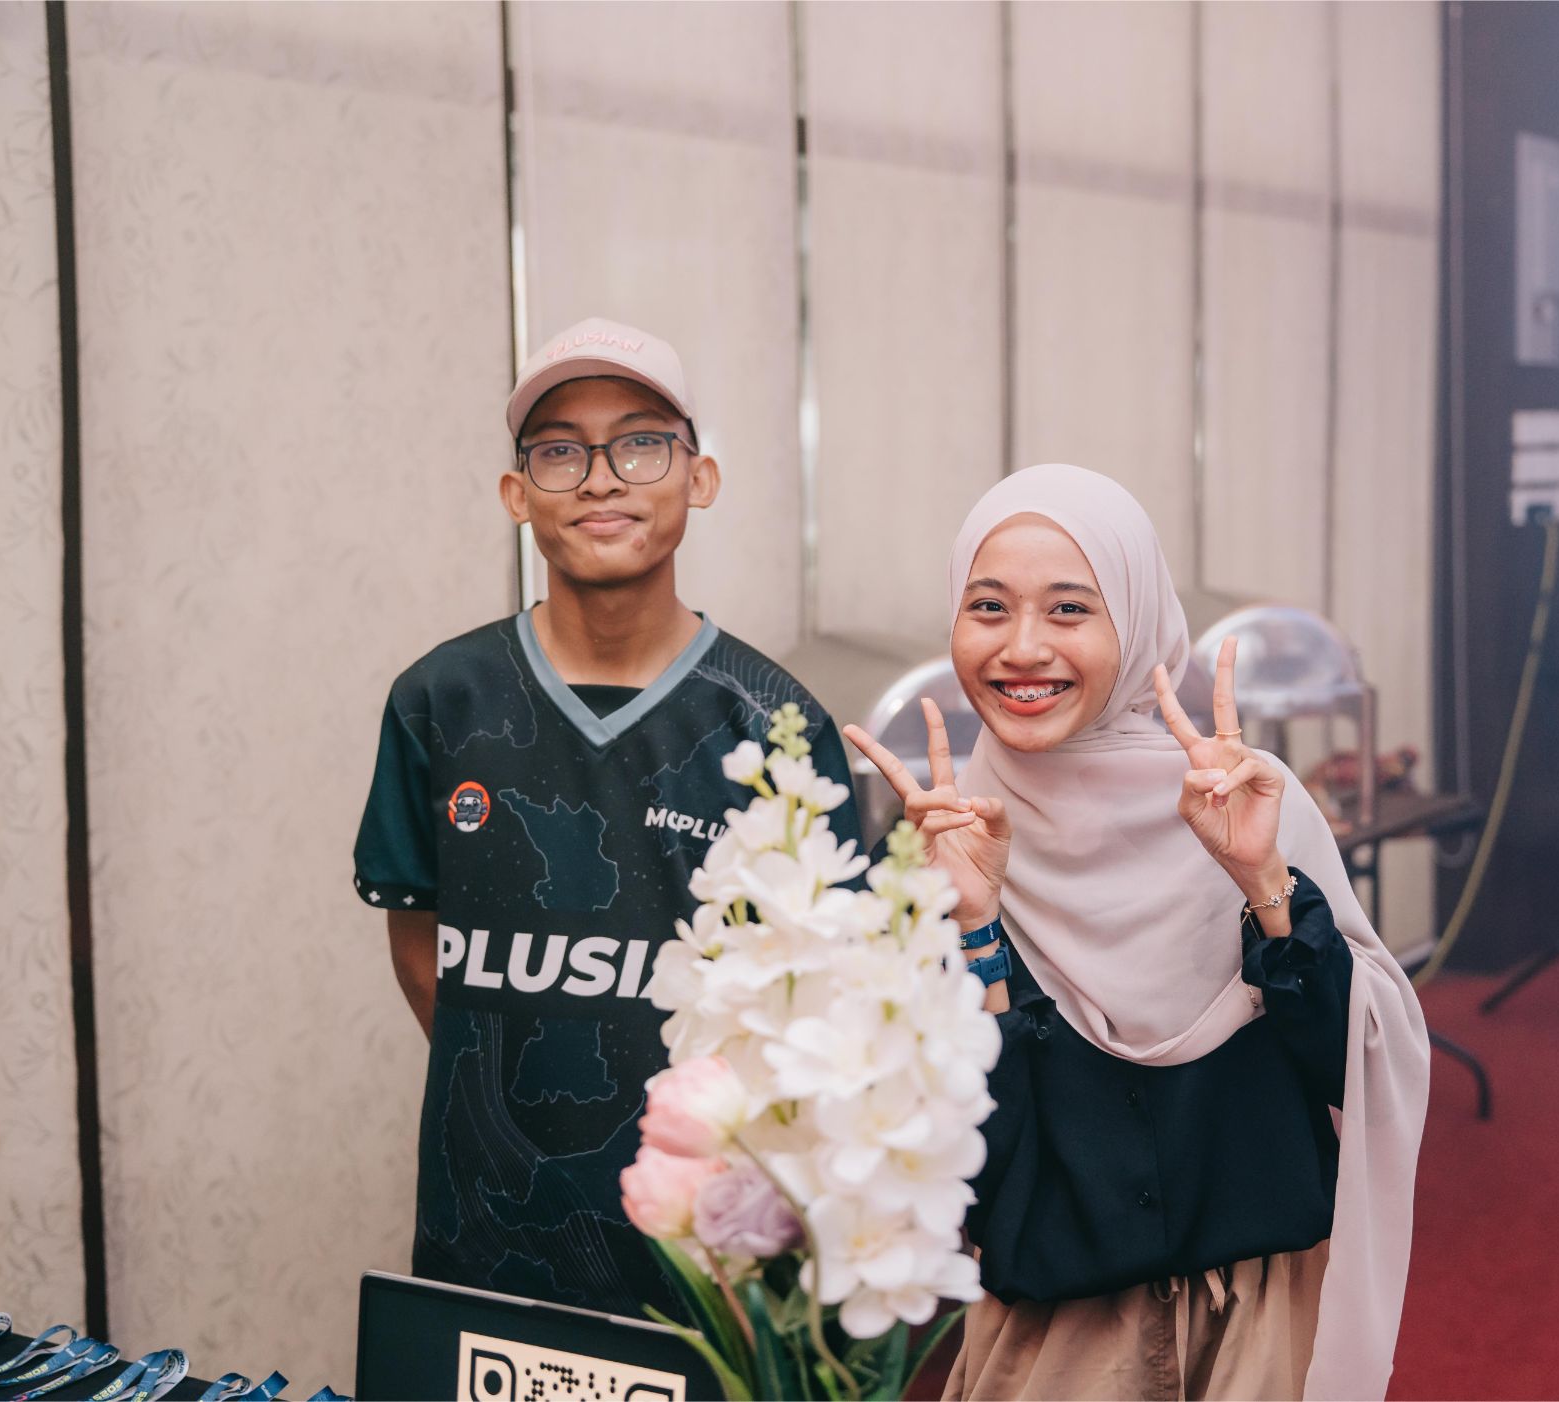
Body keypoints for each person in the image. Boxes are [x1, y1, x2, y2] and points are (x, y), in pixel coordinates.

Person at [846, 464, 1429, 1401]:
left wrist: (1263, 886)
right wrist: (976, 932)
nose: (1022, 648)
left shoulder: (1242, 802)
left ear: (1138, 623)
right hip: (1054, 1342)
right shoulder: (939, 846)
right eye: (988, 607)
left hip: (1261, 1317)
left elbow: (1358, 1072)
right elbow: (959, 1169)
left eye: (1070, 610)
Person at [352, 317, 860, 1319]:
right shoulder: (439, 702)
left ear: (698, 478)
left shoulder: (772, 723)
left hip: (705, 1255)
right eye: (559, 452)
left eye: (639, 444)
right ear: (517, 493)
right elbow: (418, 946)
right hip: (485, 1231)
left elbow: (814, 999)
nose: (600, 479)